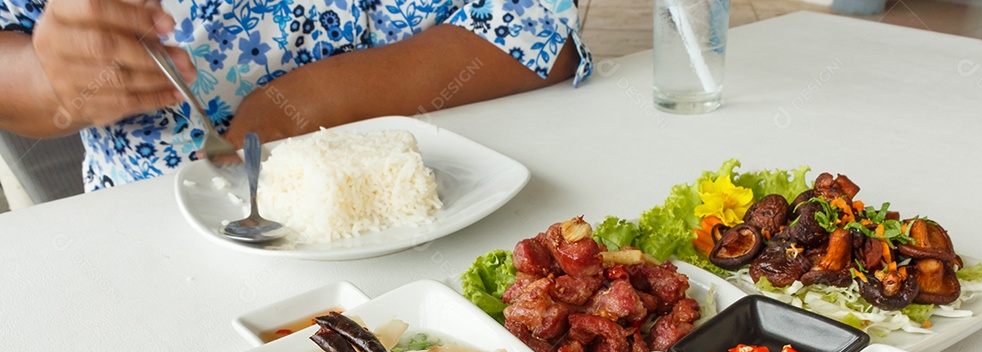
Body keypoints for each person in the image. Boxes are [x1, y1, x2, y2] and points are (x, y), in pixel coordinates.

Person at [0, 0, 590, 191]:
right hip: (169, 223)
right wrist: (54, 81)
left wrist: (322, 96)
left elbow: (540, 33)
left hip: (482, 178)